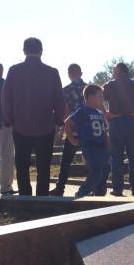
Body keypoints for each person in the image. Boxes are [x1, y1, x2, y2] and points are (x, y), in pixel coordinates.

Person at [2, 37, 65, 196]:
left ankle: (25, 196)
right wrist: (58, 120)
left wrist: (9, 119)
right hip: (45, 126)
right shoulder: (52, 72)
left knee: (22, 164)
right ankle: (42, 197)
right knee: (44, 165)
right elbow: (59, 99)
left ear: (24, 51)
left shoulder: (14, 70)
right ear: (41, 51)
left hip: (20, 125)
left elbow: (6, 97)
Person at [103, 62, 134, 197]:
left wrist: (105, 113)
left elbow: (97, 96)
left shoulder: (110, 85)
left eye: (113, 70)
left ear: (118, 71)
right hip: (132, 122)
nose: (112, 72)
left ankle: (118, 189)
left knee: (116, 157)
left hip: (116, 122)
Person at [65, 85, 110, 197]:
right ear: (90, 97)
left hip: (102, 147)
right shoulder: (83, 112)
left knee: (105, 170)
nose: (102, 99)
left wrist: (108, 145)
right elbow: (67, 122)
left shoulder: (100, 113)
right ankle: (82, 192)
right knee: (97, 172)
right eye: (100, 96)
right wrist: (71, 139)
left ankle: (99, 192)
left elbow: (104, 131)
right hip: (90, 147)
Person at [50, 63, 86, 196]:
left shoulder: (65, 91)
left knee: (66, 161)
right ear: (81, 73)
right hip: (89, 130)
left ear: (69, 75)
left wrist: (64, 129)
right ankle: (98, 187)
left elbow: (65, 113)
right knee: (93, 160)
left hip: (74, 129)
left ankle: (60, 188)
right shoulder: (90, 89)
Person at [0, 62, 15, 195]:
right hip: (4, 124)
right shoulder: (4, 83)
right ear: (1, 71)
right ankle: (6, 186)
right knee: (6, 156)